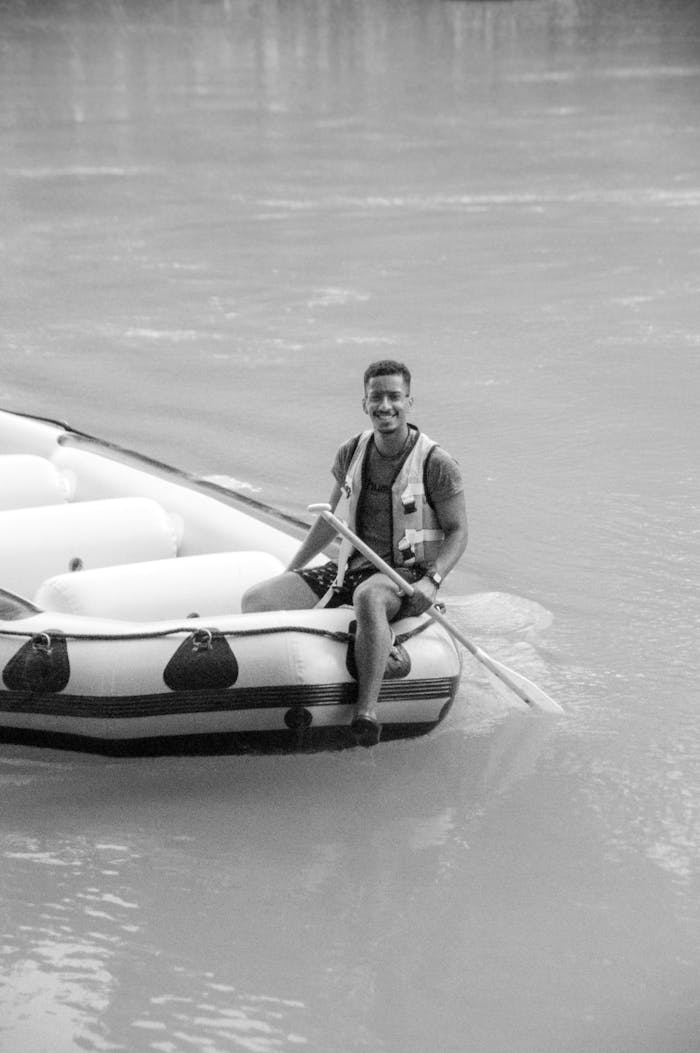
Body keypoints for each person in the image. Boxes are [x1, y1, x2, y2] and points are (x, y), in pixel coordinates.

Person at [241, 360, 468, 745]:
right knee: (258, 599)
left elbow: (459, 532)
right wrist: (292, 570)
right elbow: (329, 520)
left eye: (394, 396)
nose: (385, 405)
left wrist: (433, 581)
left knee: (369, 598)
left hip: (404, 575)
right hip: (350, 566)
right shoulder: (351, 451)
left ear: (409, 402)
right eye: (376, 397)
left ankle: (366, 711)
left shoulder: (437, 464)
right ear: (364, 403)